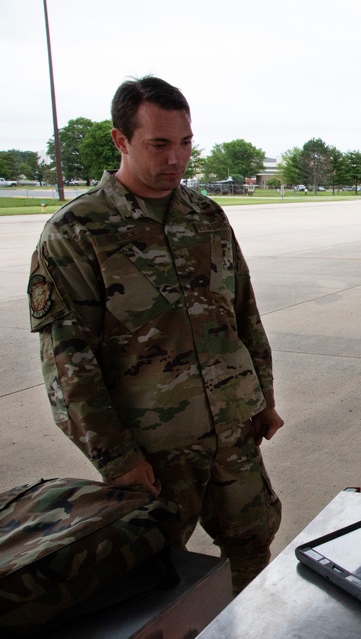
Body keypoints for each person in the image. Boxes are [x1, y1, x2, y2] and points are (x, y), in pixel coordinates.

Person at [27, 76, 282, 593]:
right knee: (155, 576)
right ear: (120, 140)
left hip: (233, 429)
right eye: (160, 144)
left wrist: (262, 398)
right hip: (154, 450)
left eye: (186, 143)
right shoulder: (78, 231)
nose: (177, 159)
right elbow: (68, 365)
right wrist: (117, 458)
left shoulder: (207, 216)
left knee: (252, 546)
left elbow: (243, 314)